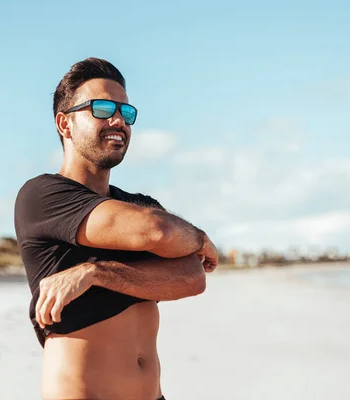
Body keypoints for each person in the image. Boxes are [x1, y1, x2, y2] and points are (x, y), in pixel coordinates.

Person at [14, 57, 219, 400]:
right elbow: (158, 233)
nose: (118, 120)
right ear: (65, 124)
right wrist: (198, 238)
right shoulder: (43, 196)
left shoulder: (140, 204)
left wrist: (96, 274)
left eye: (126, 112)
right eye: (102, 108)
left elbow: (192, 277)